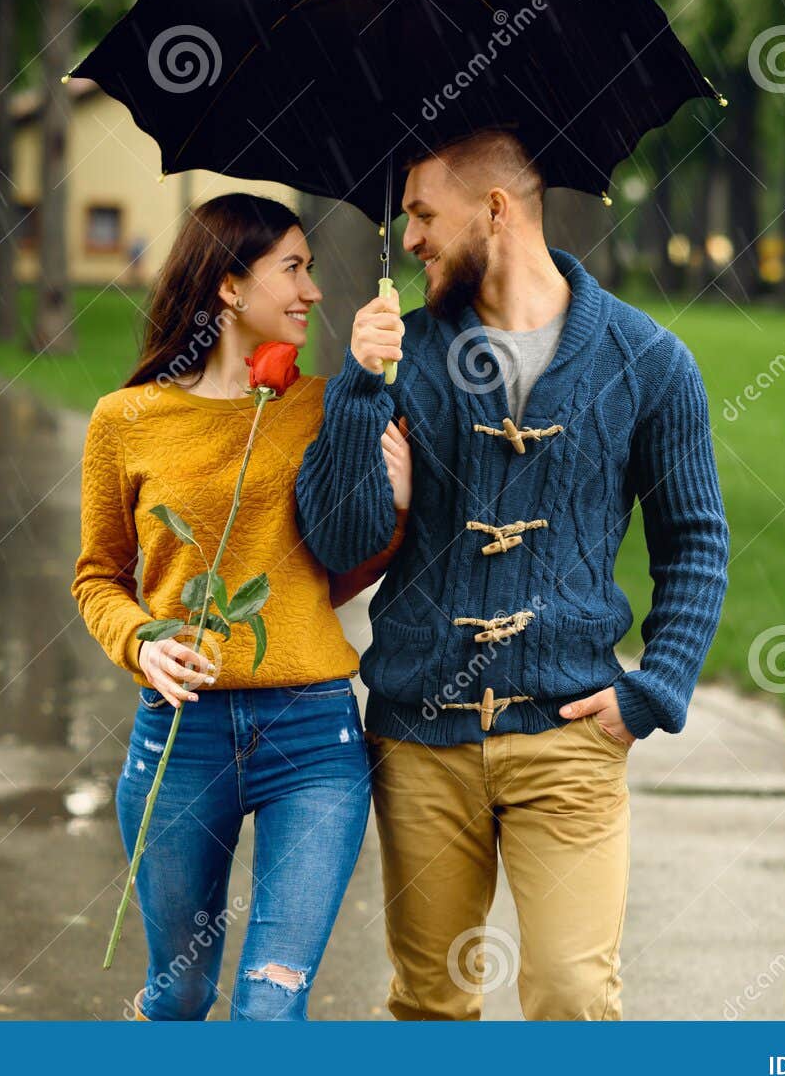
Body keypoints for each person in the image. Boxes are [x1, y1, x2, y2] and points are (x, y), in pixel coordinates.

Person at [295, 128, 730, 1020]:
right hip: (421, 739)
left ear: (495, 209)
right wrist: (358, 389)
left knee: (574, 997)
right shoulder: (404, 354)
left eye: (422, 215)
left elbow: (695, 542)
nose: (410, 239)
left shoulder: (649, 363)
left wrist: (656, 687)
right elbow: (340, 541)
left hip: (570, 737)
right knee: (431, 1002)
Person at [73, 193, 410, 1021]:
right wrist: (143, 641)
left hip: (312, 732)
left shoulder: (325, 406)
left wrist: (392, 512)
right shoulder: (127, 421)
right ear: (229, 286)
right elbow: (97, 576)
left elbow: (328, 570)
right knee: (182, 992)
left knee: (268, 1005)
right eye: (291, 269)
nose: (313, 290)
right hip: (181, 739)